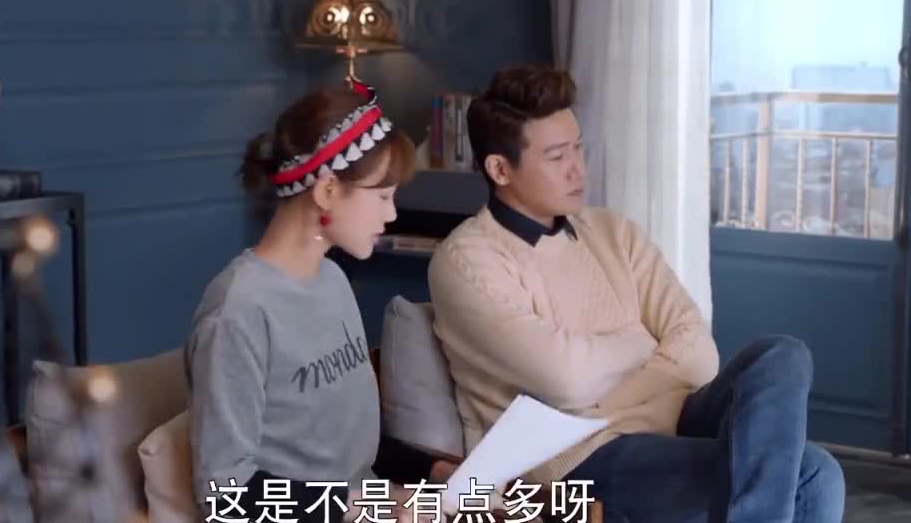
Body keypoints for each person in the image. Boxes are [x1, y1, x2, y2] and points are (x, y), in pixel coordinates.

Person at [426, 65, 846, 523]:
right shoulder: (467, 260)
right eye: (557, 156)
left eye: (578, 148)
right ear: (500, 169)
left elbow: (698, 355)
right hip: (574, 457)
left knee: (783, 355)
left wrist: (601, 388)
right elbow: (567, 380)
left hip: (672, 418)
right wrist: (642, 343)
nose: (578, 168)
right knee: (814, 473)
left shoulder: (613, 232)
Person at [184, 79, 453, 523]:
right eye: (382, 196)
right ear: (327, 190)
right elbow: (223, 494)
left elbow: (351, 449)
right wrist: (369, 506)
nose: (391, 213)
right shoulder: (238, 311)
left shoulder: (332, 280)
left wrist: (438, 471)